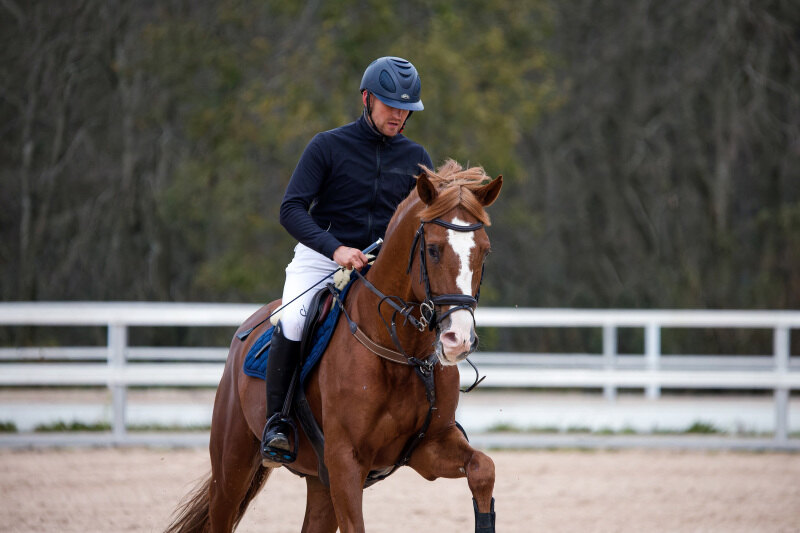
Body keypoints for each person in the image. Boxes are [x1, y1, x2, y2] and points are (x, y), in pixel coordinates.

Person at [261, 57, 434, 463]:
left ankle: (437, 418)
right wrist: (334, 248)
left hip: (381, 268)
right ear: (366, 98)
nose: (398, 115)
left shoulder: (417, 156)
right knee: (295, 317)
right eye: (390, 105)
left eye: (405, 108)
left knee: (427, 318)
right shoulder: (327, 145)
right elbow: (291, 209)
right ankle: (279, 423)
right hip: (322, 257)